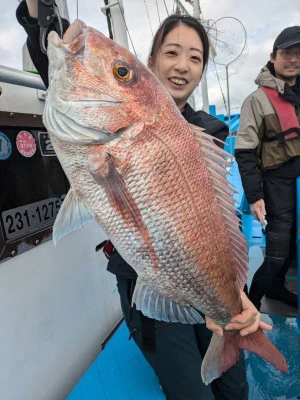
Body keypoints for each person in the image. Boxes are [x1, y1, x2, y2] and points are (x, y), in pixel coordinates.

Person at [17, 2, 271, 399]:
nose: (183, 65)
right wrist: (38, 14)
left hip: (199, 274)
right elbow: (61, 60)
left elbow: (217, 222)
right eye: (171, 53)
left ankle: (227, 333)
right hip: (144, 280)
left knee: (234, 387)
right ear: (150, 60)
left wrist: (235, 301)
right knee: (190, 391)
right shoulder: (109, 121)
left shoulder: (211, 129)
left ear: (203, 68)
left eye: (195, 57)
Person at [235, 26, 300, 311]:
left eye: (299, 54)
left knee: (292, 245)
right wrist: (255, 196)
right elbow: (245, 152)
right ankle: (249, 303)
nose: (294, 59)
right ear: (273, 56)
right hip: (276, 182)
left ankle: (277, 288)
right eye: (287, 53)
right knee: (277, 249)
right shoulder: (257, 100)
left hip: (298, 183)